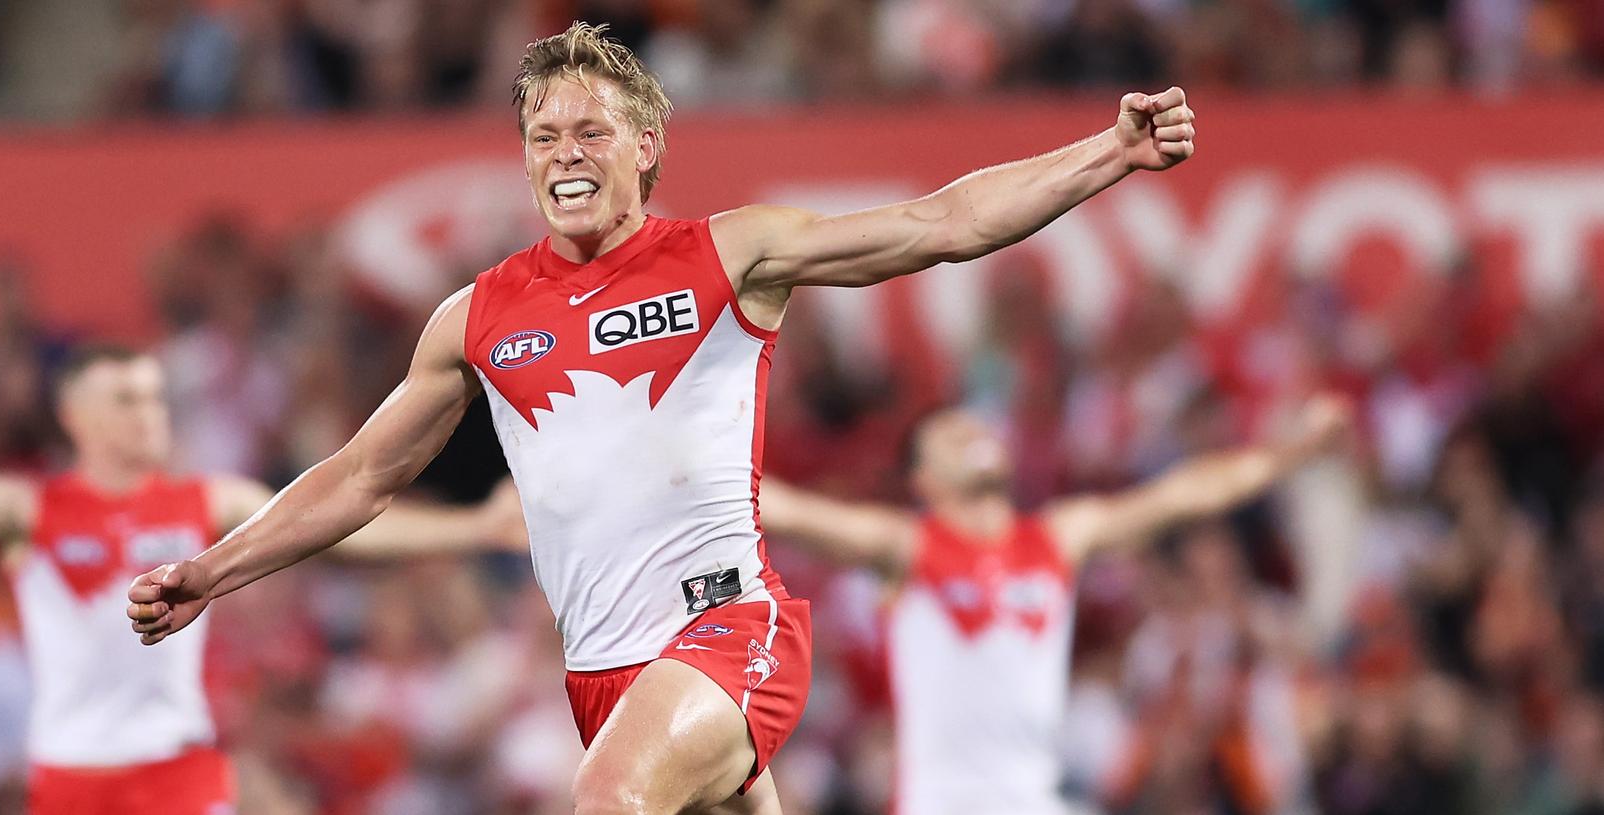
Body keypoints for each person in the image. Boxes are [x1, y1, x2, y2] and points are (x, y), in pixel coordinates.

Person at [126, 21, 1198, 814]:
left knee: (605, 802)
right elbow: (359, 476)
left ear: (647, 148)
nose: (564, 152)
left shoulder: (729, 255)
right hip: (602, 670)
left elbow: (939, 224)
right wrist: (211, 570)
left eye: (591, 129)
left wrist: (1107, 153)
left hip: (729, 628)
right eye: (542, 135)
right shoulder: (476, 316)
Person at [0, 345, 523, 815]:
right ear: (76, 416)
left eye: (155, 397)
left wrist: (475, 526)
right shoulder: (30, 509)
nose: (149, 414)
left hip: (178, 764)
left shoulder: (205, 500)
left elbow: (344, 526)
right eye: (125, 398)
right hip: (70, 777)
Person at [757, 395, 1350, 814]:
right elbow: (785, 509)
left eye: (979, 427)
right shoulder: (909, 548)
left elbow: (1185, 494)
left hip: (1036, 800)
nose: (973, 434)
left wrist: (1291, 452)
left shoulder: (1058, 538)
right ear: (922, 480)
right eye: (951, 434)